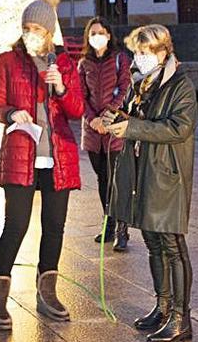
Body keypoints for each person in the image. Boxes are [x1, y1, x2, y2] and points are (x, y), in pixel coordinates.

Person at [0, 0, 84, 331]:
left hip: (58, 158)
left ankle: (48, 292)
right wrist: (13, 112)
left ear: (49, 32)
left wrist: (62, 90)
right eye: (27, 28)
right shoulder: (7, 62)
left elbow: (78, 110)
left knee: (54, 227)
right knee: (16, 226)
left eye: (37, 30)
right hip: (21, 155)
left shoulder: (65, 65)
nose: (31, 34)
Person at [104, 25, 198, 342]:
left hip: (166, 175)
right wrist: (114, 119)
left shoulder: (181, 85)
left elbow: (177, 128)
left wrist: (131, 128)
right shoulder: (142, 82)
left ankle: (181, 320)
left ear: (162, 52)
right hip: (143, 173)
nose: (138, 58)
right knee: (152, 242)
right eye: (136, 52)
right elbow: (132, 115)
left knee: (172, 245)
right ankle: (163, 306)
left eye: (144, 52)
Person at [78, 17, 132, 251]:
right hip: (93, 133)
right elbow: (81, 97)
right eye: (93, 33)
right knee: (102, 179)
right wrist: (93, 120)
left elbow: (125, 89)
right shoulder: (84, 64)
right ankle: (108, 224)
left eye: (101, 32)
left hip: (114, 128)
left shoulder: (120, 59)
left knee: (116, 180)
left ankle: (122, 229)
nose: (97, 36)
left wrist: (107, 116)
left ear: (109, 35)